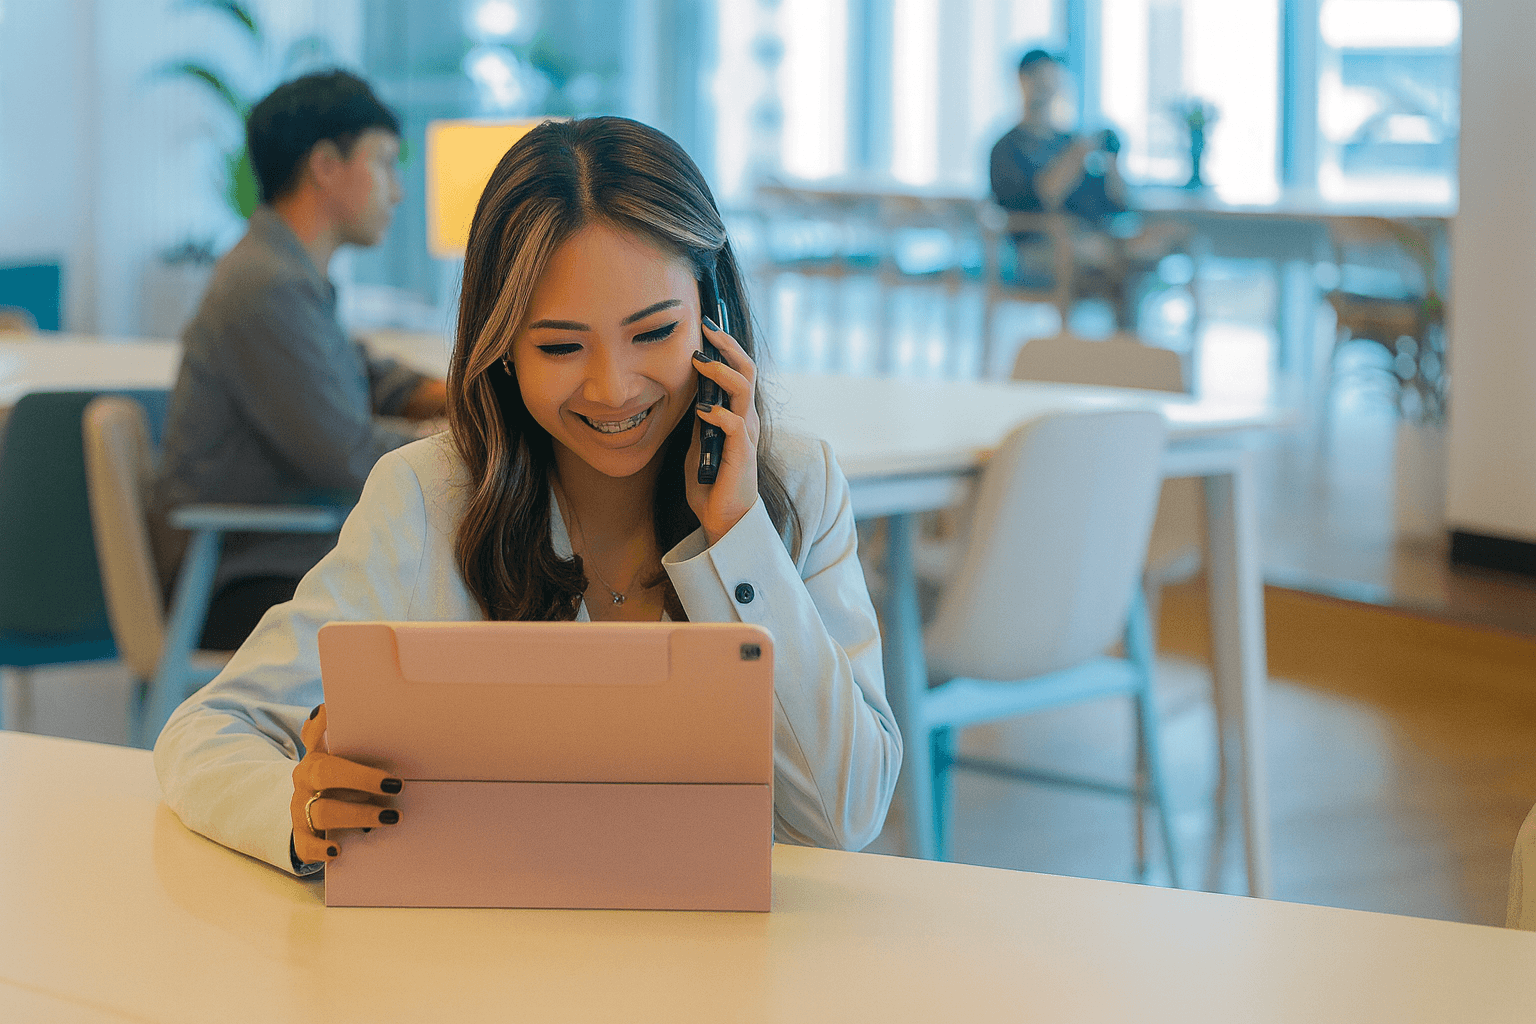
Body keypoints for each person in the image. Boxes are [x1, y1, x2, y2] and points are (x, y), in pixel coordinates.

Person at [153, 116, 903, 875]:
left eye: (653, 334)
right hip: (490, 967)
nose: (613, 389)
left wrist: (739, 540)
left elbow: (845, 816)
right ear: (502, 347)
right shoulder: (428, 497)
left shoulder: (795, 488)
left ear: (710, 319)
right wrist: (300, 810)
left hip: (724, 967)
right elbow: (210, 729)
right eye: (559, 346)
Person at [150, 70, 448, 651]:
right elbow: (348, 456)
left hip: (272, 553)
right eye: (385, 162)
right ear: (326, 166)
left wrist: (459, 393)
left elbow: (366, 373)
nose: (398, 190)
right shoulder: (267, 287)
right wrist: (458, 441)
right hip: (246, 577)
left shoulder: (286, 274)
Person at [989, 49, 1180, 327]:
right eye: (1039, 79)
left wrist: (1113, 160)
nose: (1047, 88)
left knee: (1144, 258)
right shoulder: (1007, 148)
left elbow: (1116, 203)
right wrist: (1076, 155)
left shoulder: (1069, 141)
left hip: (1089, 242)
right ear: (1021, 81)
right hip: (1039, 250)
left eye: (1053, 80)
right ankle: (1114, 350)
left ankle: (1124, 354)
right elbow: (1042, 196)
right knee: (1124, 267)